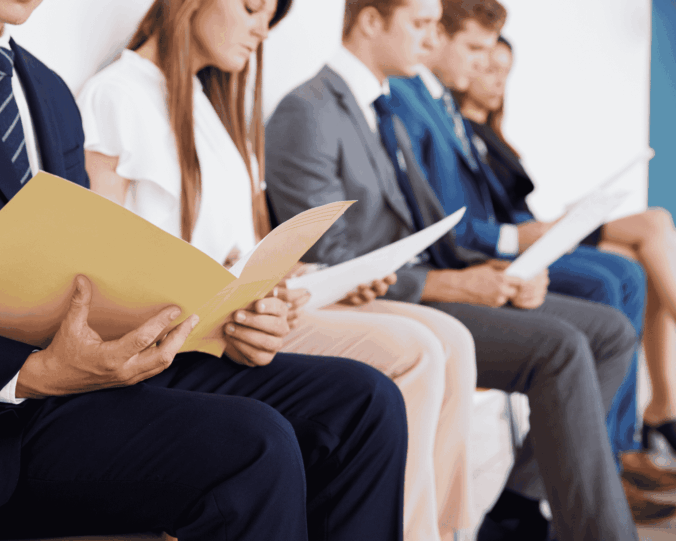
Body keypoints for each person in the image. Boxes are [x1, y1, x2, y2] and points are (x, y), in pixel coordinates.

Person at [0, 0, 410, 539]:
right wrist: (32, 372)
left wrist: (224, 321)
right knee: (254, 445)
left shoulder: (47, 91)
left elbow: (83, 277)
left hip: (86, 380)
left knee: (363, 403)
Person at [77, 1, 474, 539]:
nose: (262, 27)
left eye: (271, 15)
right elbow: (97, 271)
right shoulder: (117, 95)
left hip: (239, 317)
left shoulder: (209, 103)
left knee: (442, 340)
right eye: (251, 7)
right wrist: (222, 293)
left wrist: (300, 277)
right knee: (415, 352)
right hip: (189, 336)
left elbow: (238, 249)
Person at [264, 0, 645, 538]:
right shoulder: (310, 109)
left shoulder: (379, 107)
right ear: (371, 22)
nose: (430, 38)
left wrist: (495, 270)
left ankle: (520, 506)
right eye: (419, 24)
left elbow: (434, 226)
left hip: (419, 285)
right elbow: (332, 261)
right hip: (385, 298)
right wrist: (452, 281)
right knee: (561, 347)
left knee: (608, 330)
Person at [386, 0, 648, 484]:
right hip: (470, 256)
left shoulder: (443, 103)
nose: (483, 64)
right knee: (611, 286)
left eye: (493, 55)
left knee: (624, 275)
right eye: (475, 50)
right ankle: (596, 464)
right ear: (438, 39)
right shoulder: (407, 101)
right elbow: (446, 221)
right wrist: (514, 237)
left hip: (490, 245)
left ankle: (602, 458)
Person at [461, 35, 676, 489]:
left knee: (643, 257)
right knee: (647, 237)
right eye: (485, 64)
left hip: (533, 232)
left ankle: (656, 415)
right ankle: (632, 436)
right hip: (518, 245)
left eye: (504, 69)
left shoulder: (492, 135)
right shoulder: (454, 131)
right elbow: (482, 225)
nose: (497, 78)